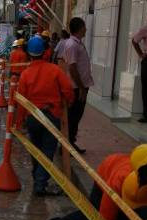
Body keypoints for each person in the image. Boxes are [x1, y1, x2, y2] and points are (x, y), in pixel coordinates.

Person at [16, 36, 74, 195]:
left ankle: (37, 179)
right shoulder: (55, 70)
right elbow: (68, 89)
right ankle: (40, 185)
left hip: (33, 117)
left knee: (36, 150)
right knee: (47, 151)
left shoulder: (26, 74)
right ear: (45, 53)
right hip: (51, 116)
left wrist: (20, 121)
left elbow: (20, 100)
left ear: (29, 53)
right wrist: (68, 101)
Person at [63, 17, 94, 154]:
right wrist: (81, 87)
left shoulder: (78, 43)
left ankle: (70, 142)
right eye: (84, 26)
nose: (86, 29)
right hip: (76, 88)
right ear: (80, 28)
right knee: (73, 116)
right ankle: (67, 144)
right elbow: (72, 67)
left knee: (76, 116)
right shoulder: (72, 45)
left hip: (81, 86)